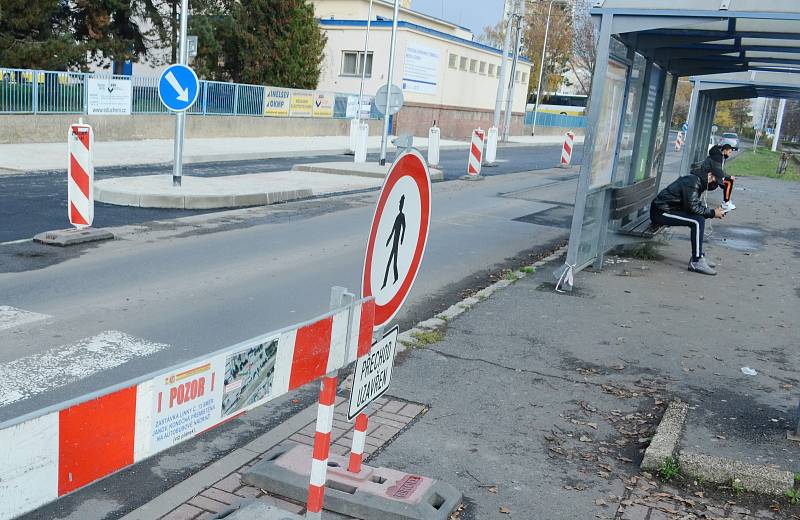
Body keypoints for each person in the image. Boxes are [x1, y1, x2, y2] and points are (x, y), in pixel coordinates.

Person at [650, 161, 726, 275]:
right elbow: (692, 208)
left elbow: (693, 204)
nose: (714, 184)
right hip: (661, 212)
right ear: (710, 175)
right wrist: (712, 213)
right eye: (715, 180)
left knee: (698, 219)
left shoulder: (696, 180)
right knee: (697, 221)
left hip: (670, 209)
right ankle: (696, 261)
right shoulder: (693, 182)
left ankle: (699, 255)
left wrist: (713, 211)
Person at [707, 143, 736, 211]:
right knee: (729, 182)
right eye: (729, 152)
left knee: (728, 181)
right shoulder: (717, 157)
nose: (730, 154)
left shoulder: (720, 155)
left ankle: (726, 201)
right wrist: (729, 176)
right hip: (709, 178)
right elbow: (718, 171)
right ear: (725, 151)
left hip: (713, 176)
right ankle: (725, 203)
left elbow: (718, 171)